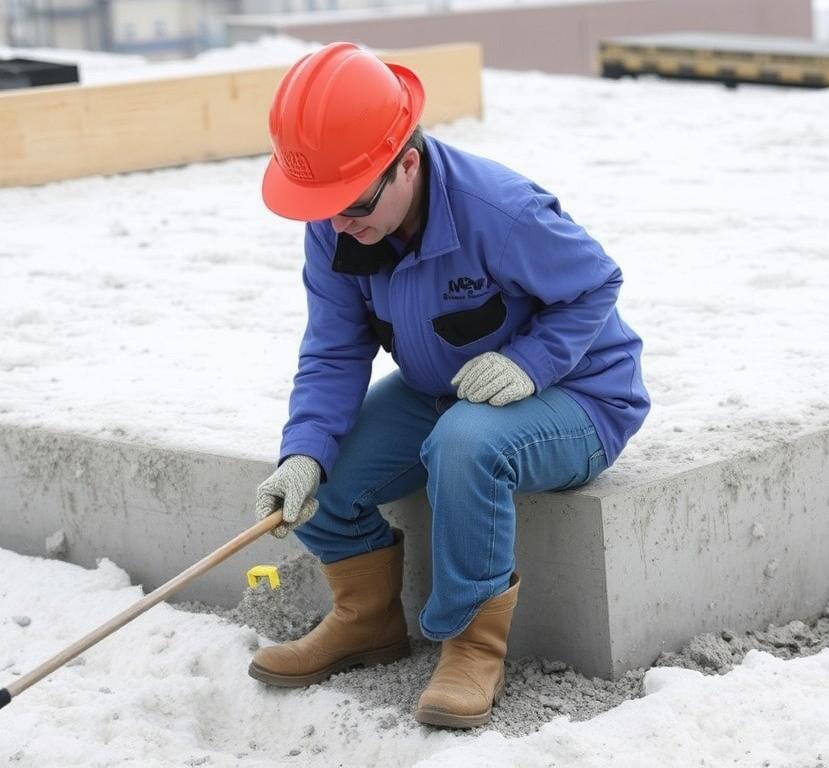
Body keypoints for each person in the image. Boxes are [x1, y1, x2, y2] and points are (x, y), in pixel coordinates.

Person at [249, 42, 650, 729]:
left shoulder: (499, 210)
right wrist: (303, 453)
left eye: (352, 203)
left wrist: (533, 362)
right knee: (333, 471)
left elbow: (595, 283)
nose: (339, 223)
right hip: (448, 389)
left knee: (464, 445)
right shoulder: (338, 224)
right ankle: (365, 621)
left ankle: (472, 644)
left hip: (579, 397)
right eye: (326, 206)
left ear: (406, 163)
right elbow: (333, 351)